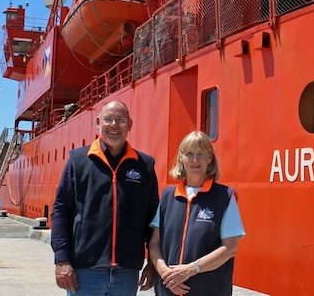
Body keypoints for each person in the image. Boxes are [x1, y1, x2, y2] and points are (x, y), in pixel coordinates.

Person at [51, 100, 160, 295]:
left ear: (130, 125)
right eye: (108, 120)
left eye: (120, 120)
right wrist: (62, 260)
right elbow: (61, 211)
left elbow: (153, 218)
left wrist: (152, 263)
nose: (114, 125)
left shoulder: (145, 165)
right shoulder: (79, 160)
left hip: (127, 273)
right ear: (98, 123)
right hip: (84, 271)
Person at [149, 131, 245, 296]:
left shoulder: (225, 197)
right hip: (168, 290)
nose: (195, 159)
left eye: (201, 154)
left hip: (208, 291)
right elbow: (154, 243)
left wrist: (190, 270)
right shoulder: (168, 196)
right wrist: (165, 273)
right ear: (181, 158)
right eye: (190, 154)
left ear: (210, 159)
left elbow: (230, 248)